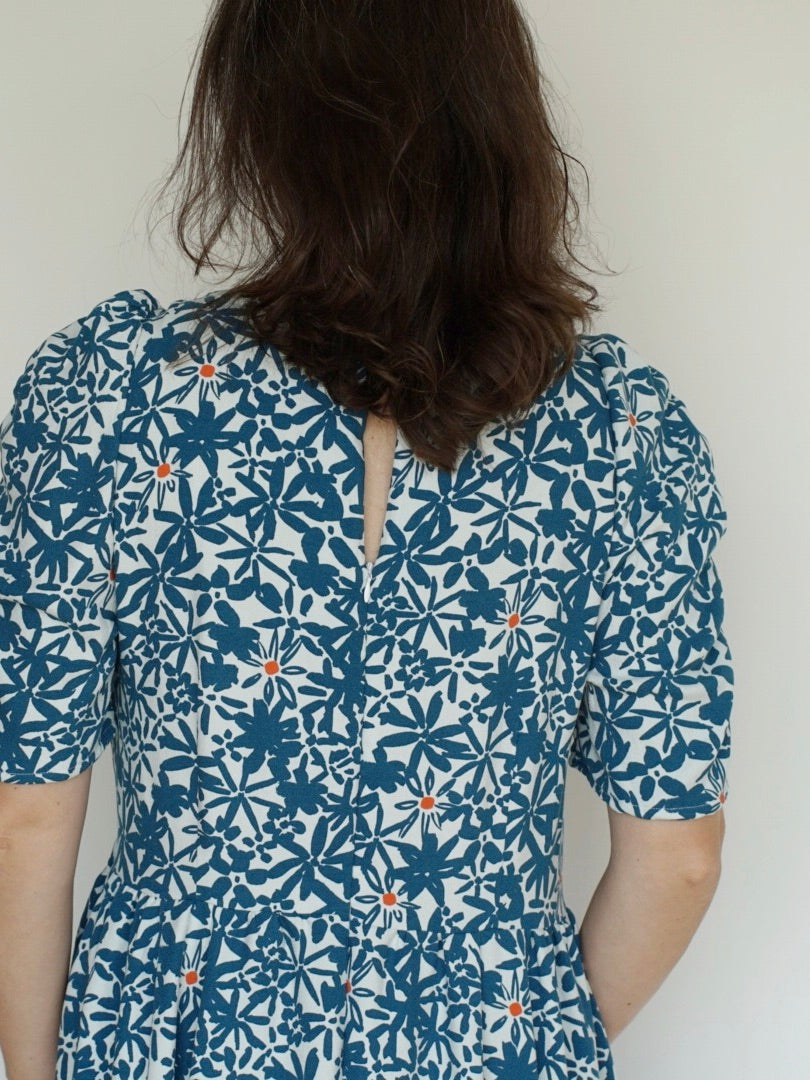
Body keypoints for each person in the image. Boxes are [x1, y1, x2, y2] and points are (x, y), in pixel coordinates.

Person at [0, 2, 733, 1078]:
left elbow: (25, 818)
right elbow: (679, 858)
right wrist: (523, 1034)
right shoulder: (622, 442)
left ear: (261, 123)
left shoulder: (109, 405)